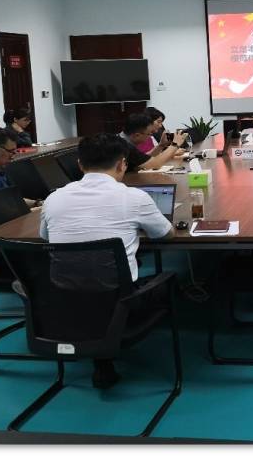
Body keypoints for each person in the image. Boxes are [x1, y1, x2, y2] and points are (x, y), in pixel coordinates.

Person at [39, 133, 174, 389]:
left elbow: (45, 238)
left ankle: (100, 357)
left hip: (63, 298)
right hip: (121, 301)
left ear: (80, 165)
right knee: (169, 283)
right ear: (122, 164)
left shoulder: (53, 198)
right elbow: (166, 234)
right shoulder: (135, 198)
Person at [119, 113, 188, 171]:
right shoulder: (124, 146)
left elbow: (145, 159)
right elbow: (155, 164)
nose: (150, 136)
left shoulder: (122, 140)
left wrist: (161, 145)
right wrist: (175, 145)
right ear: (137, 135)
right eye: (149, 133)